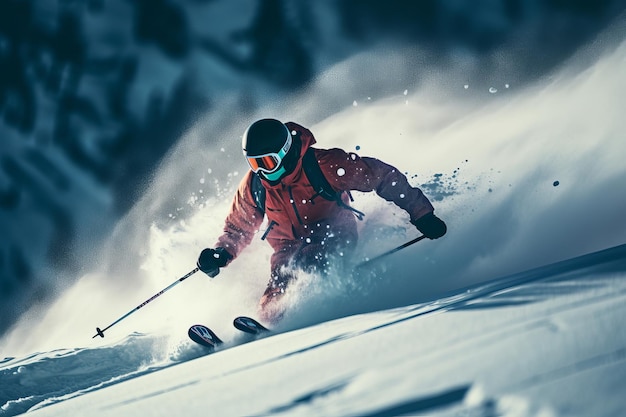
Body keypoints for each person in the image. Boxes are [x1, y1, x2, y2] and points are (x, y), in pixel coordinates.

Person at [197, 118, 446, 324]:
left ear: (284, 152)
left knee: (310, 265)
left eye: (268, 162)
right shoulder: (254, 185)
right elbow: (238, 227)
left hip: (333, 234)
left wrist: (421, 214)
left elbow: (382, 176)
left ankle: (309, 318)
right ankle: (268, 326)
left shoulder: (324, 165)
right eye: (254, 163)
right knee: (278, 288)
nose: (262, 170)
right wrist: (221, 254)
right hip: (287, 249)